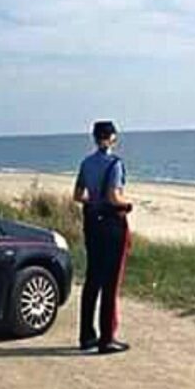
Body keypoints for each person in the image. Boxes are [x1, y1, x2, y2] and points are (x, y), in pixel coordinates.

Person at [73, 120, 133, 355]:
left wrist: (93, 202)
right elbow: (113, 196)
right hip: (111, 224)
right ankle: (107, 337)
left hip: (92, 223)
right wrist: (128, 204)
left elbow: (78, 195)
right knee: (110, 281)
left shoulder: (86, 163)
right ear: (113, 138)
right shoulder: (115, 164)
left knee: (92, 279)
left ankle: (86, 335)